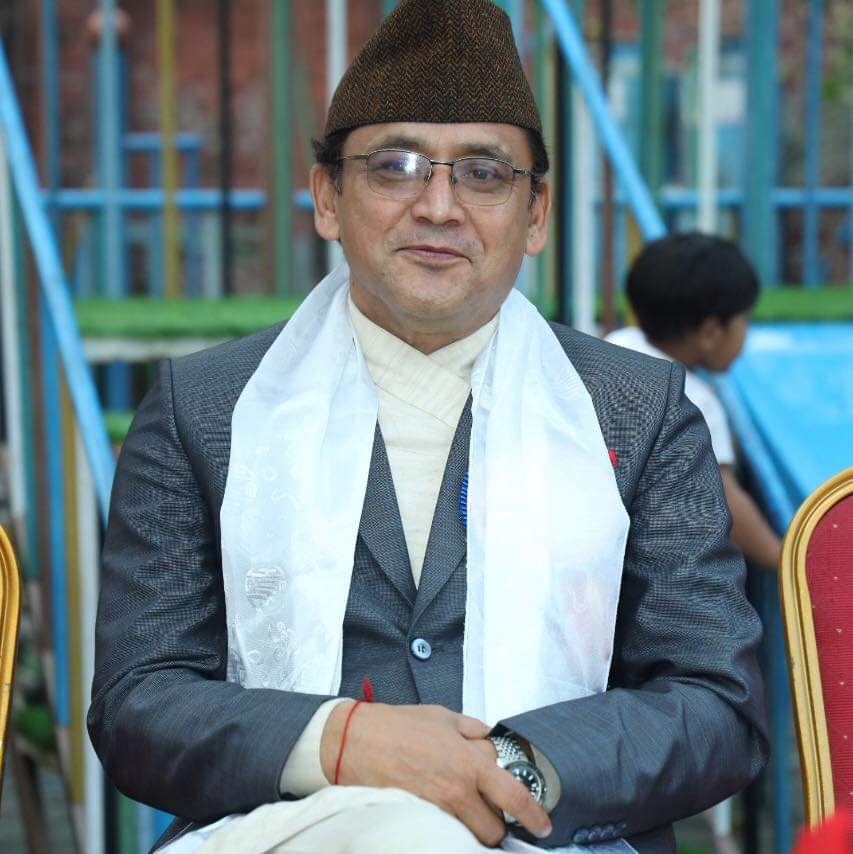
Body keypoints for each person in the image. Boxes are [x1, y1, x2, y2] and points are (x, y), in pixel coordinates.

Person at [87, 2, 768, 852]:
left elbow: (714, 705)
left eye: (483, 173)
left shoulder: (639, 410)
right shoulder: (205, 409)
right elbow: (139, 701)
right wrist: (343, 743)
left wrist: (507, 768)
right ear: (328, 198)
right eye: (394, 167)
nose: (438, 206)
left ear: (536, 214)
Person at [605, 232, 783, 572]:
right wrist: (782, 558)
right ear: (711, 332)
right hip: (651, 566)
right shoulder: (691, 396)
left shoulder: (610, 349)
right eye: (744, 319)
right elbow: (723, 498)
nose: (746, 332)